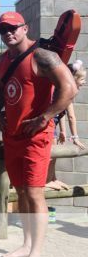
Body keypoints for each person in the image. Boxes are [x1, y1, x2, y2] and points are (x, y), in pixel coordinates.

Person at [0, 11, 77, 257]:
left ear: (25, 28)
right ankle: (27, 244)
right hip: (13, 136)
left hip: (35, 138)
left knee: (34, 193)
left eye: (12, 28)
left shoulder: (42, 55)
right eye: (2, 30)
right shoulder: (2, 59)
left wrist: (46, 117)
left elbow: (70, 88)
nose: (8, 33)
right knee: (20, 192)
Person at [49, 60, 87, 190]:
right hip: (48, 123)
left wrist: (62, 131)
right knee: (51, 154)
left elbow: (61, 112)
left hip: (53, 121)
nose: (85, 82)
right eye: (82, 79)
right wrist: (75, 138)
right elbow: (71, 116)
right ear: (73, 78)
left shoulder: (64, 87)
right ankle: (48, 180)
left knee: (54, 155)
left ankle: (52, 178)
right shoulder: (68, 90)